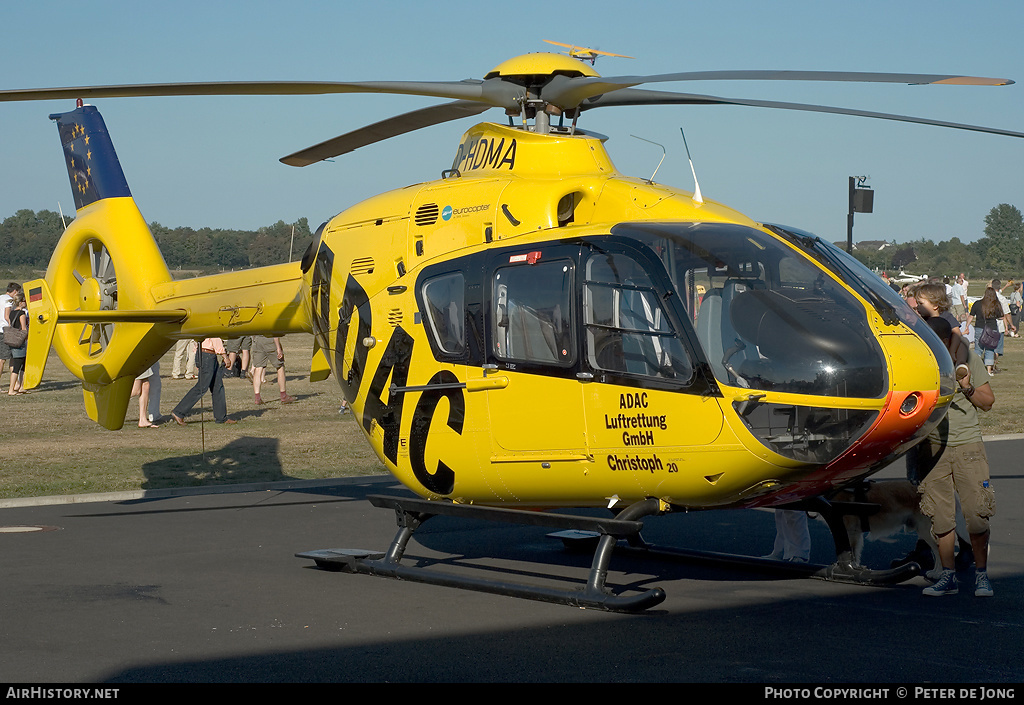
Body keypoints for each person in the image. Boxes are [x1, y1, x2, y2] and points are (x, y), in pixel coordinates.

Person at [916, 316, 995, 597]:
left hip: (967, 446)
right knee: (940, 517)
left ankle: (981, 576)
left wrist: (968, 388)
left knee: (976, 514)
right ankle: (947, 575)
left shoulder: (968, 359)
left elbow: (988, 402)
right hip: (933, 448)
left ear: (948, 341)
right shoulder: (919, 361)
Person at [169, 337, 238, 425]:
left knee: (218, 386)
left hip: (206, 354)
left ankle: (221, 417)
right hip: (207, 355)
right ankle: (179, 412)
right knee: (201, 387)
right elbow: (215, 337)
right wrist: (225, 356)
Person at [968, 287, 1007, 375]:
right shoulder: (996, 304)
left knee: (978, 349)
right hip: (992, 329)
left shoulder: (977, 303)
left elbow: (971, 316)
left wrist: (967, 326)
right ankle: (989, 371)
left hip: (979, 328)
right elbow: (1001, 316)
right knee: (990, 349)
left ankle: (976, 369)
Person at [250, 335, 296, 405]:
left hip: (257, 340)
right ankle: (283, 396)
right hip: (270, 340)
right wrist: (278, 348)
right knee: (280, 367)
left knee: (258, 368)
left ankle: (257, 398)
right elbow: (275, 332)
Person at [6, 292, 27, 396]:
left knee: (20, 365)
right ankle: (12, 389)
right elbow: (24, 329)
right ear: (21, 302)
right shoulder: (22, 314)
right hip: (20, 343)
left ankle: (21, 387)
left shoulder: (12, 313)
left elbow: (11, 325)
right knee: (18, 367)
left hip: (12, 341)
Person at [0, 282, 21, 381]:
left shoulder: (0, 297)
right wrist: (13, 326)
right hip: (5, 331)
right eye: (18, 292)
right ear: (14, 291)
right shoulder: (9, 301)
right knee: (3, 359)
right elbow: (7, 316)